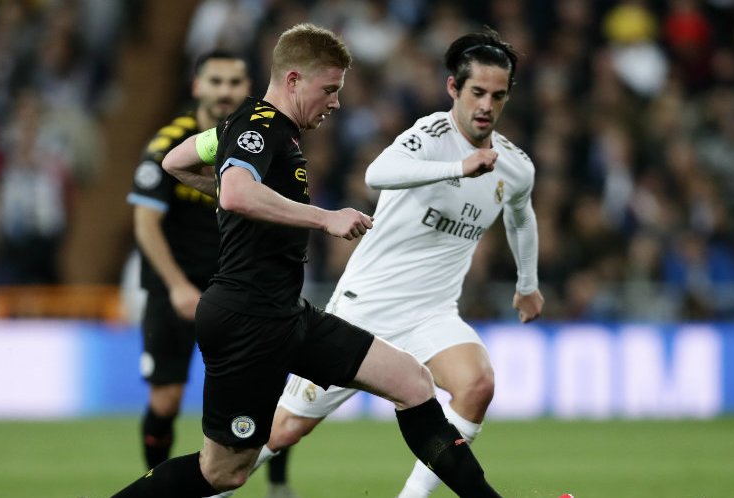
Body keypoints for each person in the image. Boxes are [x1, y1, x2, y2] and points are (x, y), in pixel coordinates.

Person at [111, 23, 506, 498]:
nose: (335, 102)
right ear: (294, 80)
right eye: (330, 89)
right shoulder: (260, 127)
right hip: (247, 318)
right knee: (223, 472)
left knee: (413, 381)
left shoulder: (249, 127)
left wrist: (237, 193)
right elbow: (235, 193)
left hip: (286, 313)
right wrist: (324, 219)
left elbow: (176, 161)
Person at [221, 27, 544, 498]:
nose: (486, 105)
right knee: (283, 430)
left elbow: (521, 217)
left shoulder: (515, 166)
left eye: (498, 95)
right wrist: (458, 167)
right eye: (477, 92)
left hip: (431, 314)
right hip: (366, 307)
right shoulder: (430, 136)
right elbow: (378, 173)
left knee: (477, 384)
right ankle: (205, 488)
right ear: (454, 88)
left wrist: (527, 284)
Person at [125, 50, 250, 470]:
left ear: (248, 87)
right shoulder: (168, 144)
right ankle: (155, 483)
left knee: (254, 389)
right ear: (197, 86)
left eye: (234, 82)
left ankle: (272, 484)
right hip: (173, 286)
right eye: (215, 81)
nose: (225, 91)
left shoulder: (257, 141)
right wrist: (177, 286)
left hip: (232, 285)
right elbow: (145, 222)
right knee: (166, 400)